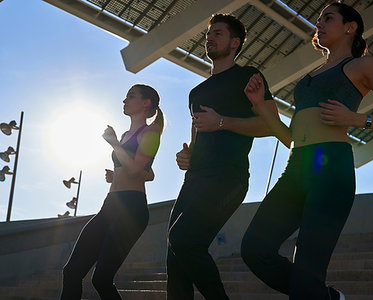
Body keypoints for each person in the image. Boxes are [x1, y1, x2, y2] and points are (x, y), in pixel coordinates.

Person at [240, 2, 373, 300]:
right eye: (318, 19)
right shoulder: (311, 76)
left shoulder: (363, 65)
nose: (318, 23)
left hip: (331, 169)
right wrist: (260, 106)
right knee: (254, 249)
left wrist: (359, 119)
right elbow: (292, 138)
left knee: (307, 269)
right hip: (297, 166)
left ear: (351, 26)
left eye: (328, 18)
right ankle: (328, 298)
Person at [167, 13, 278, 300]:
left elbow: (271, 125)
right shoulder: (197, 91)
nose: (210, 37)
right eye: (208, 34)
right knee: (175, 257)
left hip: (227, 178)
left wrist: (222, 122)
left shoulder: (248, 77)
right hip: (193, 180)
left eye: (218, 33)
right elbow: (197, 132)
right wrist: (188, 154)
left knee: (184, 241)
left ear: (234, 43)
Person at [60, 84, 164, 300]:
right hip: (110, 205)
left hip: (131, 209)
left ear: (146, 103)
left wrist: (114, 143)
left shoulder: (151, 131)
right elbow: (148, 172)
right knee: (71, 272)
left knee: (101, 279)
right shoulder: (127, 134)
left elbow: (137, 169)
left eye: (131, 96)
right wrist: (116, 175)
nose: (124, 100)